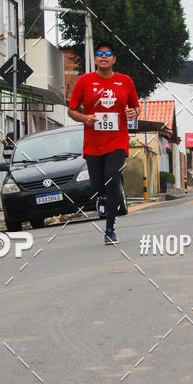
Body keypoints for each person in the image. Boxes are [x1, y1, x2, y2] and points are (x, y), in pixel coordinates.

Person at [67, 40, 140, 245]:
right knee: (98, 186)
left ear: (114, 59)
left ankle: (110, 228)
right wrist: (85, 119)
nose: (104, 56)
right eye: (100, 53)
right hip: (93, 142)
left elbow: (136, 107)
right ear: (95, 59)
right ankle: (103, 198)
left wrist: (133, 112)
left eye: (108, 53)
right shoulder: (85, 81)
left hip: (117, 139)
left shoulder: (125, 81)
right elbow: (71, 110)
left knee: (112, 178)